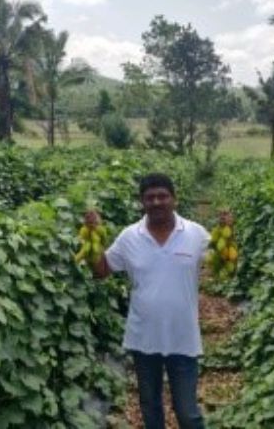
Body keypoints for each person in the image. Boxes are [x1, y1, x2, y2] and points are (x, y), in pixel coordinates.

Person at [86, 172, 209, 429]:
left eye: (162, 196)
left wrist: (228, 232)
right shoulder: (130, 236)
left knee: (187, 412)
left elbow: (223, 265)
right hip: (143, 337)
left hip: (183, 336)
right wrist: (92, 236)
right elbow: (101, 271)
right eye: (149, 197)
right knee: (150, 407)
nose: (156, 202)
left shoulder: (196, 234)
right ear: (142, 202)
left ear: (174, 199)